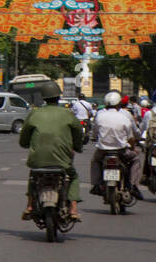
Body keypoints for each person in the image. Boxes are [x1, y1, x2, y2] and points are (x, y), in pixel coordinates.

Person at [19, 80, 83, 222]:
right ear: (58, 97)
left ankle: (29, 206)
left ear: (43, 97)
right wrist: (78, 147)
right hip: (62, 162)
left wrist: (25, 144)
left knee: (33, 177)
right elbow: (78, 132)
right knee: (73, 177)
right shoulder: (68, 114)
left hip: (38, 161)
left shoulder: (34, 114)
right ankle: (73, 208)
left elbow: (23, 139)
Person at [89, 91, 141, 196]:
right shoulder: (125, 117)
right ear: (119, 104)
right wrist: (133, 148)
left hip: (103, 151)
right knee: (135, 159)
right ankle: (133, 185)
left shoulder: (99, 116)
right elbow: (131, 138)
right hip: (121, 151)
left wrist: (95, 138)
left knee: (95, 161)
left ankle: (96, 185)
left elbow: (94, 133)